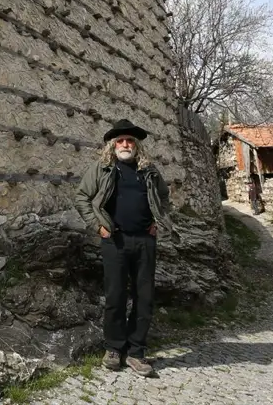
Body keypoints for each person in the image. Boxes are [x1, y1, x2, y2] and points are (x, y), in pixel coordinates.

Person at [74, 119, 177, 377]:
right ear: (113, 144)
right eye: (120, 140)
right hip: (114, 240)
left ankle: (136, 352)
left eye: (129, 140)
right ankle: (113, 348)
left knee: (144, 298)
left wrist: (157, 221)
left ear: (136, 145)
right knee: (115, 297)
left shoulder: (149, 171)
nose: (125, 144)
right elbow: (81, 197)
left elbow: (164, 197)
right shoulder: (103, 169)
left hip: (145, 241)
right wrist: (98, 227)